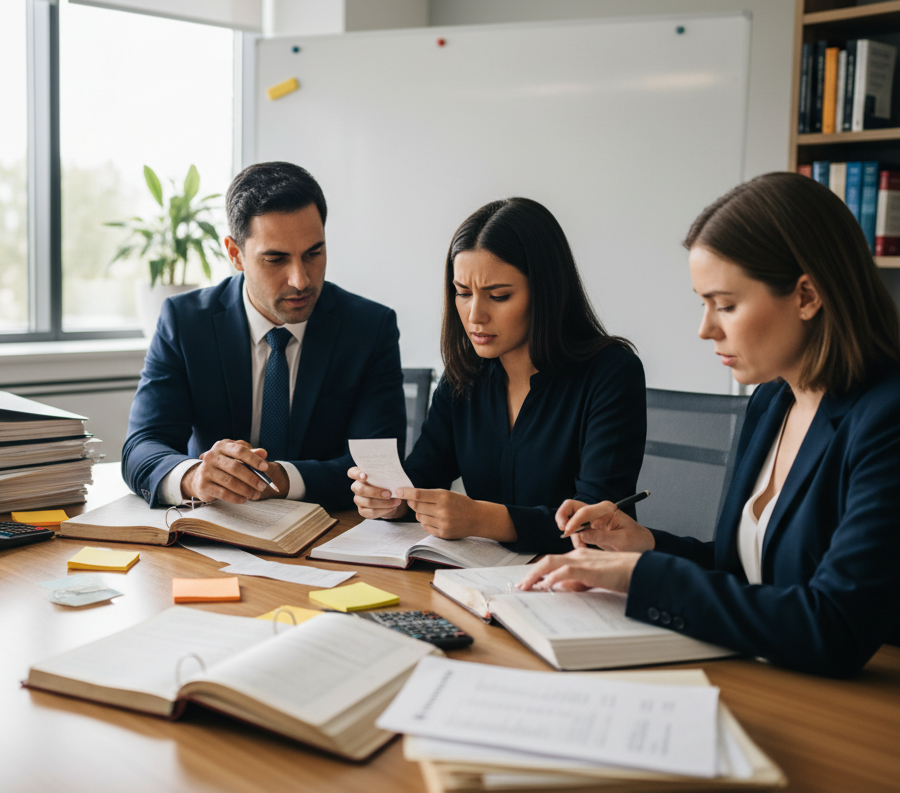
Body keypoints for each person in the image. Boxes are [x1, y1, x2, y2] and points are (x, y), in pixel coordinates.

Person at [520, 172, 900, 677]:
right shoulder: (773, 400)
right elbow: (748, 570)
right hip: (773, 674)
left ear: (807, 296)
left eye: (725, 305)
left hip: (885, 702)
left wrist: (641, 576)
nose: (705, 329)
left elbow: (834, 626)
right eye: (703, 303)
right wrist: (644, 545)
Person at [347, 197, 646, 555]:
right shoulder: (464, 374)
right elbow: (423, 475)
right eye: (462, 293)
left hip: (580, 578)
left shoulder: (612, 373)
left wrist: (481, 519)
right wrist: (391, 501)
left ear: (546, 293)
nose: (475, 315)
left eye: (499, 296)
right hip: (480, 576)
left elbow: (596, 523)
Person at [122, 161, 406, 510]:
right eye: (275, 259)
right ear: (235, 254)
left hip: (329, 528)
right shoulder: (185, 322)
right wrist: (194, 477)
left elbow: (379, 468)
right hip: (214, 528)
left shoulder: (369, 328)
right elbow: (142, 447)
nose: (300, 280)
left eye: (314, 253)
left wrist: (282, 479)